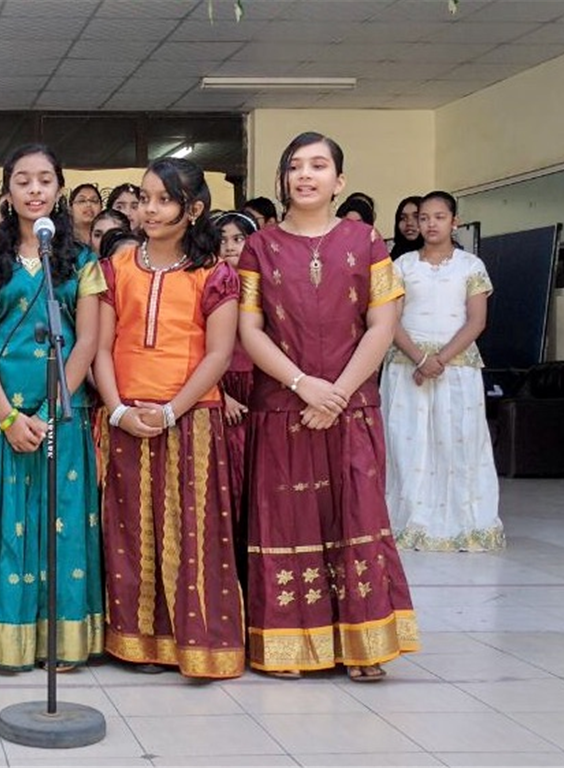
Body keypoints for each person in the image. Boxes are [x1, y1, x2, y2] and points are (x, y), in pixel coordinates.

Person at [238, 131, 419, 682]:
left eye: (318, 166)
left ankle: (365, 646)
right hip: (283, 408)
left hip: (352, 406)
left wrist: (335, 393)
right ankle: (288, 645)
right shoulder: (260, 247)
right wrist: (302, 386)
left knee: (357, 517)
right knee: (286, 523)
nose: (305, 175)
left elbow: (382, 325)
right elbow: (250, 330)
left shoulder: (367, 241)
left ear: (339, 181)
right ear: (283, 178)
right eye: (295, 166)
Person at [95, 158, 246, 679]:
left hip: (190, 418)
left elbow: (219, 354)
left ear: (194, 208)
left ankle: (196, 643)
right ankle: (135, 642)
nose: (150, 210)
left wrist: (169, 411)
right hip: (124, 416)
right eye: (145, 198)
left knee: (193, 536)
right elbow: (101, 346)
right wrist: (117, 410)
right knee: (129, 535)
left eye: (164, 199)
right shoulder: (117, 266)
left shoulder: (215, 273)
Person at [0, 144, 105, 671]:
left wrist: (48, 412)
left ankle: (61, 642)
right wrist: (6, 415)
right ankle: (5, 640)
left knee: (61, 525)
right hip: (2, 413)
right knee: (4, 526)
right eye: (23, 180)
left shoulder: (82, 261)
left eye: (45, 179)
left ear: (59, 189)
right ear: (7, 191)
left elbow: (86, 343)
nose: (35, 190)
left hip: (62, 413)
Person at [381, 191, 503, 552]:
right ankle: (407, 522)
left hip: (457, 368)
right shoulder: (402, 266)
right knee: (406, 443)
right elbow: (390, 320)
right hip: (407, 366)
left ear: (455, 222)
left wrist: (439, 360)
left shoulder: (471, 266)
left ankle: (463, 525)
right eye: (423, 218)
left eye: (439, 217)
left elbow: (476, 321)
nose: (430, 224)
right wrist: (420, 359)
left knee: (458, 443)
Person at [214, 211, 258, 555]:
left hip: (257, 386)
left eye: (238, 239)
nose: (230, 246)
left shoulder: (265, 283)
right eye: (223, 239)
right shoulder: (210, 281)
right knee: (227, 474)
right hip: (221, 385)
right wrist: (221, 394)